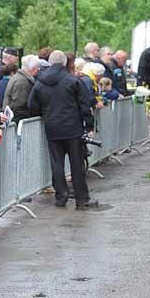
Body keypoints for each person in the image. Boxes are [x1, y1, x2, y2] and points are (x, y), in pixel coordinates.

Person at [28, 51, 97, 208]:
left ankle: (61, 196)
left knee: (57, 163)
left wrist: (44, 113)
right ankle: (82, 198)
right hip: (73, 128)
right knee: (76, 164)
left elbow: (32, 106)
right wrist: (90, 124)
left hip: (52, 127)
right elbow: (84, 105)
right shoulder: (73, 80)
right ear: (65, 62)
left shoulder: (40, 82)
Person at [3, 54, 40, 123]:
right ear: (33, 68)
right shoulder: (22, 82)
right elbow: (19, 106)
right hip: (18, 123)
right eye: (37, 68)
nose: (39, 70)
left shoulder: (19, 78)